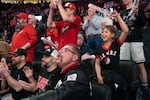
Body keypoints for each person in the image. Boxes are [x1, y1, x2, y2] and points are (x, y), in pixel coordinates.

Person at [24, 44, 90, 100]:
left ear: (75, 57)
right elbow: (47, 91)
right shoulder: (59, 73)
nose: (59, 53)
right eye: (60, 50)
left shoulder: (78, 75)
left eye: (64, 50)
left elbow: (60, 95)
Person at [94, 10, 129, 100]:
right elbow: (97, 64)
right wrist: (99, 77)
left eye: (106, 32)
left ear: (112, 35)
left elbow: (125, 31)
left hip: (115, 75)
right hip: (103, 75)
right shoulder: (98, 48)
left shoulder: (116, 44)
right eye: (102, 32)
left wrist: (118, 17)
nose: (103, 34)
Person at [120, 0, 149, 94]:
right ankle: (127, 86)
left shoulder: (138, 9)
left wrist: (137, 14)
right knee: (125, 65)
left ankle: (145, 87)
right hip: (125, 41)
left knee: (140, 64)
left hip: (136, 40)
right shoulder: (122, 12)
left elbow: (143, 22)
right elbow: (120, 26)